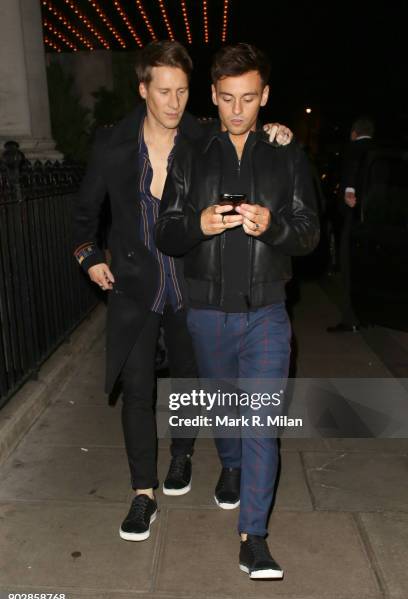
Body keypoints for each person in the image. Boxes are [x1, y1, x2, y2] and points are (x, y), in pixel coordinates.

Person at [72, 40, 293, 543]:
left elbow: (246, 137)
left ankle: (183, 454)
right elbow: (84, 217)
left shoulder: (202, 137)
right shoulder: (113, 145)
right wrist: (89, 257)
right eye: (164, 91)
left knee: (193, 381)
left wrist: (276, 132)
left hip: (191, 283)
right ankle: (142, 493)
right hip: (135, 284)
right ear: (143, 89)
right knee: (138, 387)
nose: (175, 102)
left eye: (184, 91)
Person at [155, 43, 319, 579]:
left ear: (265, 96)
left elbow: (310, 234)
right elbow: (166, 230)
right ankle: (228, 465)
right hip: (206, 313)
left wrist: (272, 225)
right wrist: (198, 225)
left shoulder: (287, 154)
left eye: (249, 99)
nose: (238, 111)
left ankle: (254, 537)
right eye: (227, 99)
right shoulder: (191, 153)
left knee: (260, 425)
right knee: (227, 413)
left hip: (268, 312)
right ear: (214, 97)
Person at [327, 116, 376, 333]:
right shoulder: (378, 151)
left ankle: (350, 318)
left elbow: (350, 172)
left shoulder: (353, 149)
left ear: (354, 132)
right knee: (368, 271)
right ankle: (368, 314)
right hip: (375, 223)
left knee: (347, 270)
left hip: (353, 220)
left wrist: (348, 191)